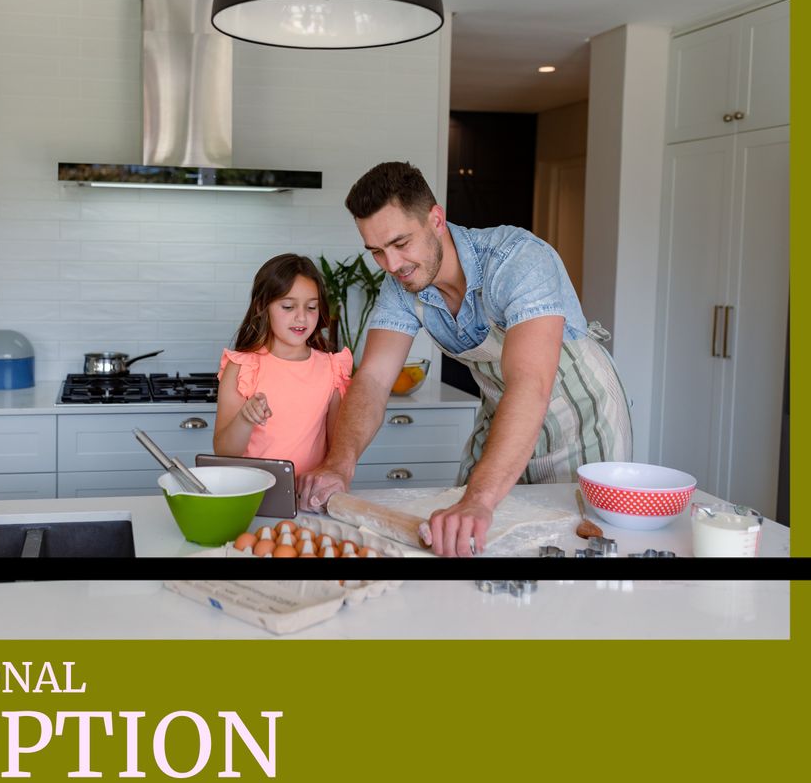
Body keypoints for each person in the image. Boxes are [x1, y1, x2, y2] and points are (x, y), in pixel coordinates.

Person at [297, 161, 633, 556]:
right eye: (376, 252)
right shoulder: (401, 285)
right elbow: (372, 378)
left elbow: (530, 383)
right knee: (467, 539)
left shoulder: (516, 259)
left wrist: (479, 499)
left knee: (577, 541)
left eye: (401, 243)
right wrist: (340, 463)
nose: (392, 265)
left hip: (580, 415)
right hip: (503, 409)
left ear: (436, 219)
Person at [215, 254, 353, 476]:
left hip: (307, 500)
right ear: (262, 306)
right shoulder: (243, 368)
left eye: (311, 307)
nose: (301, 317)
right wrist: (244, 418)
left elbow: (336, 452)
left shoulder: (332, 369)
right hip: (254, 497)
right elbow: (223, 451)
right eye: (288, 306)